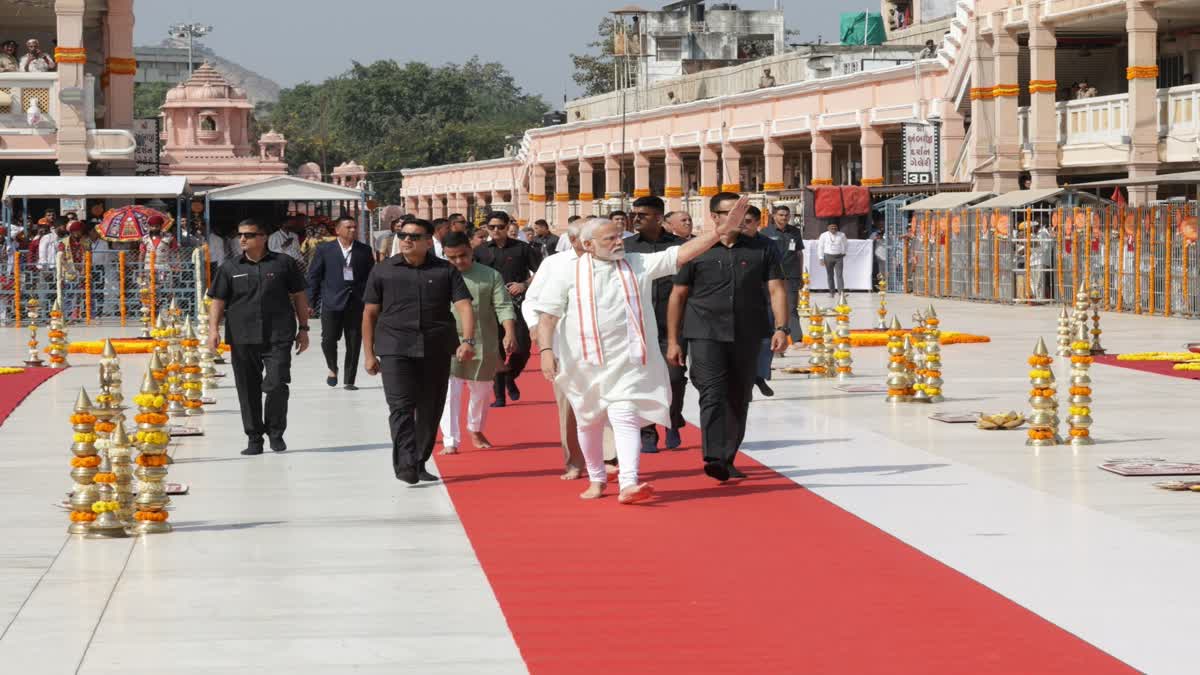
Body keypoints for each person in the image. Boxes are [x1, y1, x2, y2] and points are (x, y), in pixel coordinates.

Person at [534, 207, 745, 503]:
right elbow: (548, 317)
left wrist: (720, 232)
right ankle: (596, 478)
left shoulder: (637, 263)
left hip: (628, 361)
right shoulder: (566, 271)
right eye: (609, 239)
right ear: (587, 245)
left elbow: (681, 255)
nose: (618, 242)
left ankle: (628, 483)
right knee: (588, 421)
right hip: (583, 363)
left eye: (619, 236)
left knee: (624, 415)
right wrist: (545, 351)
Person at [668, 192, 789, 483]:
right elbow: (678, 295)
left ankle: (727, 457)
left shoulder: (763, 248)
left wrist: (782, 328)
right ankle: (713, 456)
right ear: (715, 217)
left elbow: (776, 290)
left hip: (748, 333)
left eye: (742, 212)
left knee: (738, 396)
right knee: (712, 392)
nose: (738, 218)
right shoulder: (695, 250)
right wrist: (674, 340)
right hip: (705, 332)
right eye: (730, 212)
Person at [362, 218, 476, 484]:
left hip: (435, 347)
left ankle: (419, 460)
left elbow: (464, 306)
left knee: (430, 408)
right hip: (394, 348)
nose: (407, 240)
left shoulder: (445, 271)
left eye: (414, 236)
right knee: (400, 407)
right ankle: (405, 463)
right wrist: (369, 354)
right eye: (403, 235)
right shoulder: (382, 271)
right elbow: (369, 314)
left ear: (428, 241)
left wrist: (467, 341)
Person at [207, 219, 310, 456]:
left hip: (278, 334)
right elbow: (218, 301)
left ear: (263, 237)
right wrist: (213, 330)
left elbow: (299, 296)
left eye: (249, 235)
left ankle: (276, 433)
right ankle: (254, 438)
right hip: (242, 336)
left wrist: (303, 329)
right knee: (247, 388)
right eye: (241, 235)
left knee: (276, 383)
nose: (242, 239)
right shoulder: (229, 267)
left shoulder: (284, 263)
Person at [523, 221, 616, 480]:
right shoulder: (554, 264)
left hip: (605, 346)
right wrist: (537, 330)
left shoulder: (612, 261)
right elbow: (533, 301)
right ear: (575, 241)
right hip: (565, 348)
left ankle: (608, 457)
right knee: (569, 407)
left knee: (606, 401)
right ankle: (574, 460)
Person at [438, 231, 516, 454]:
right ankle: (450, 440)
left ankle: (475, 428)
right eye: (451, 258)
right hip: (447, 340)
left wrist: (509, 332)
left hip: (484, 340)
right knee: (449, 392)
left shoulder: (490, 275)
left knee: (481, 390)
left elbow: (503, 306)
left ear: (471, 250)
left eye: (462, 255)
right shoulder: (439, 275)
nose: (458, 262)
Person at [623, 195, 687, 453]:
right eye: (634, 214)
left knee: (674, 376)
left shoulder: (680, 247)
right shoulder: (625, 247)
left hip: (674, 323)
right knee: (642, 378)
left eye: (642, 215)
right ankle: (647, 431)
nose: (635, 218)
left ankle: (672, 419)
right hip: (637, 323)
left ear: (659, 217)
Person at [473, 210, 541, 407]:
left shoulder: (523, 248)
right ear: (486, 228)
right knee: (495, 351)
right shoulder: (480, 251)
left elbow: (541, 271)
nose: (496, 230)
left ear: (507, 227)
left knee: (522, 347)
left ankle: (510, 376)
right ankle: (499, 396)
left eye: (500, 227)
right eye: (491, 227)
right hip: (490, 307)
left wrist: (524, 285)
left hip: (518, 305)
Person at [307, 215, 374, 391]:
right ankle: (332, 367)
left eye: (354, 227)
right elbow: (314, 276)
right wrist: (310, 302)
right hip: (331, 301)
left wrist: (372, 301)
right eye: (348, 227)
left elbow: (371, 277)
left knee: (354, 341)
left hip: (356, 303)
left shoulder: (364, 250)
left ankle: (349, 380)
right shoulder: (325, 249)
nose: (352, 230)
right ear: (337, 230)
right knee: (328, 339)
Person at [742, 205, 779, 398]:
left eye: (748, 222)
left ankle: (760, 376)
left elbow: (776, 280)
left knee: (766, 342)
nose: (743, 225)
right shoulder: (730, 243)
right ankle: (746, 383)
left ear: (758, 223)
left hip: (764, 300)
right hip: (739, 302)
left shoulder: (768, 245)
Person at [760, 204, 805, 338]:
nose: (784, 217)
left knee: (791, 307)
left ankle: (797, 339)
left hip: (791, 274)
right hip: (772, 276)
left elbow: (799, 254)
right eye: (781, 215)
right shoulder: (765, 232)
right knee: (772, 307)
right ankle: (774, 337)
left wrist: (801, 275)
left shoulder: (795, 232)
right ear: (774, 216)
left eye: (786, 215)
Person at [817, 221, 848, 297]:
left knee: (839, 275)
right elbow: (820, 247)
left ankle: (841, 293)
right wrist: (821, 258)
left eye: (835, 227)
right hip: (828, 257)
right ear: (828, 228)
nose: (833, 228)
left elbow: (845, 244)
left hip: (839, 257)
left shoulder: (842, 235)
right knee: (830, 275)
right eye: (832, 227)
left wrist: (843, 252)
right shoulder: (823, 235)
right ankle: (832, 292)